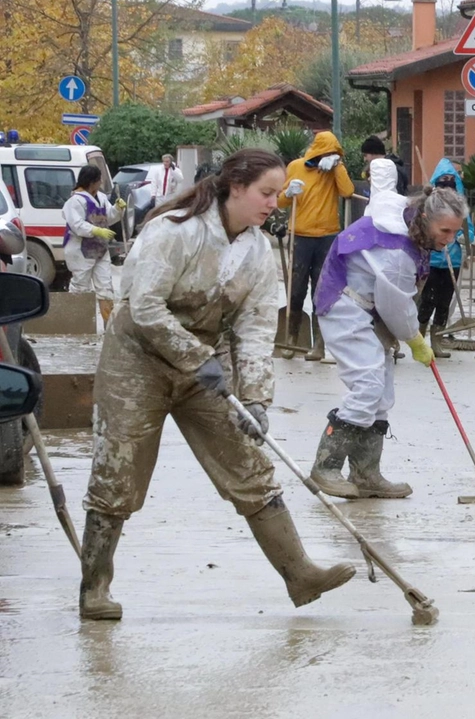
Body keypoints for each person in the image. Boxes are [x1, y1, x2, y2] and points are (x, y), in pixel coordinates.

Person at [78, 149, 355, 621]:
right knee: (118, 472)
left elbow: (256, 323)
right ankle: (95, 589)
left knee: (249, 464)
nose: (273, 203)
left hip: (204, 369)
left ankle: (300, 574)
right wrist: (194, 356)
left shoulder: (257, 250)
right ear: (236, 187)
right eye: (266, 193)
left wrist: (256, 398)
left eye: (277, 195)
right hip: (137, 361)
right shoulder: (174, 232)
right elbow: (144, 307)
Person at [307, 179, 469, 500]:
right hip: (345, 304)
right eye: (445, 231)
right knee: (368, 385)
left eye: (455, 233)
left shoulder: (410, 223)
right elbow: (396, 307)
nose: (450, 240)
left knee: (381, 394)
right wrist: (416, 340)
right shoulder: (397, 255)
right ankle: (325, 467)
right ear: (424, 218)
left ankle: (366, 475)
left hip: (367, 307)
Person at [279, 131, 356, 361]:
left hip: (327, 236)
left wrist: (338, 165)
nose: (329, 156)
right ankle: (291, 338)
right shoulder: (295, 167)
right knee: (296, 288)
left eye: (334, 153)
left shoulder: (334, 171)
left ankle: (319, 345)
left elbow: (348, 191)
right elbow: (280, 201)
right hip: (300, 235)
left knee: (321, 291)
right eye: (328, 152)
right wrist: (288, 191)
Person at [417, 158, 475, 359]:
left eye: (450, 183)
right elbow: (420, 228)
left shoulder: (460, 207)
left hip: (454, 260)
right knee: (427, 300)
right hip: (432, 261)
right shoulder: (429, 207)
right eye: (442, 182)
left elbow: (468, 229)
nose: (447, 186)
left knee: (444, 302)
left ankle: (437, 341)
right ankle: (418, 338)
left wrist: (465, 237)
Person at [62, 165, 126, 324]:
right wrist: (96, 230)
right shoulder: (75, 201)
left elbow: (108, 217)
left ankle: (109, 327)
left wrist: (118, 209)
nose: (101, 182)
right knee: (80, 287)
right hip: (80, 250)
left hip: (100, 249)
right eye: (99, 180)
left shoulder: (102, 198)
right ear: (92, 182)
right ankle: (78, 324)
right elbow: (76, 224)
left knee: (105, 287)